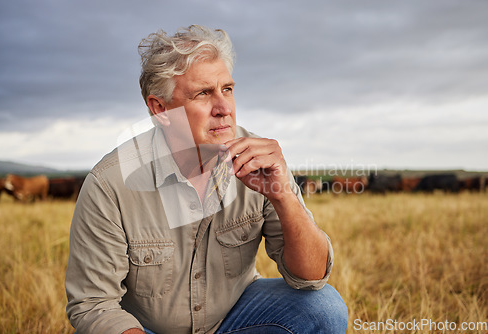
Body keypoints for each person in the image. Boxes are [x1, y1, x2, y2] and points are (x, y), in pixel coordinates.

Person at [65, 25, 348, 334]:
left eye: (227, 89)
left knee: (325, 309)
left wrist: (284, 197)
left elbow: (311, 276)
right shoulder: (110, 184)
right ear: (160, 109)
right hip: (148, 330)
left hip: (234, 318)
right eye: (203, 93)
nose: (224, 108)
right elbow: (94, 305)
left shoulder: (262, 161)